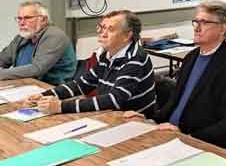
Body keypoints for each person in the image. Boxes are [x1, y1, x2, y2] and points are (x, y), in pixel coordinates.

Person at [125, 1, 226, 151]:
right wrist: (149, 120)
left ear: (222, 28)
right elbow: (174, 105)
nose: (197, 27)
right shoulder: (191, 57)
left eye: (204, 22)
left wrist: (188, 137)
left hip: (202, 144)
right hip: (172, 136)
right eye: (196, 22)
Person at [26, 10, 156, 116]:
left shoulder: (135, 59)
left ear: (127, 36)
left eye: (110, 29)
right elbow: (82, 84)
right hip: (112, 116)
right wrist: (44, 95)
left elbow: (114, 100)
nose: (102, 34)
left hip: (135, 122)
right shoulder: (108, 54)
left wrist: (60, 106)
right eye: (101, 28)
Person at [0, 1, 76, 85]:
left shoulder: (54, 36)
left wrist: (2, 74)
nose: (21, 23)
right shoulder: (22, 36)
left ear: (43, 20)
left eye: (27, 18)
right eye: (19, 18)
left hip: (52, 88)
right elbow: (3, 59)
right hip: (25, 84)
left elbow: (37, 69)